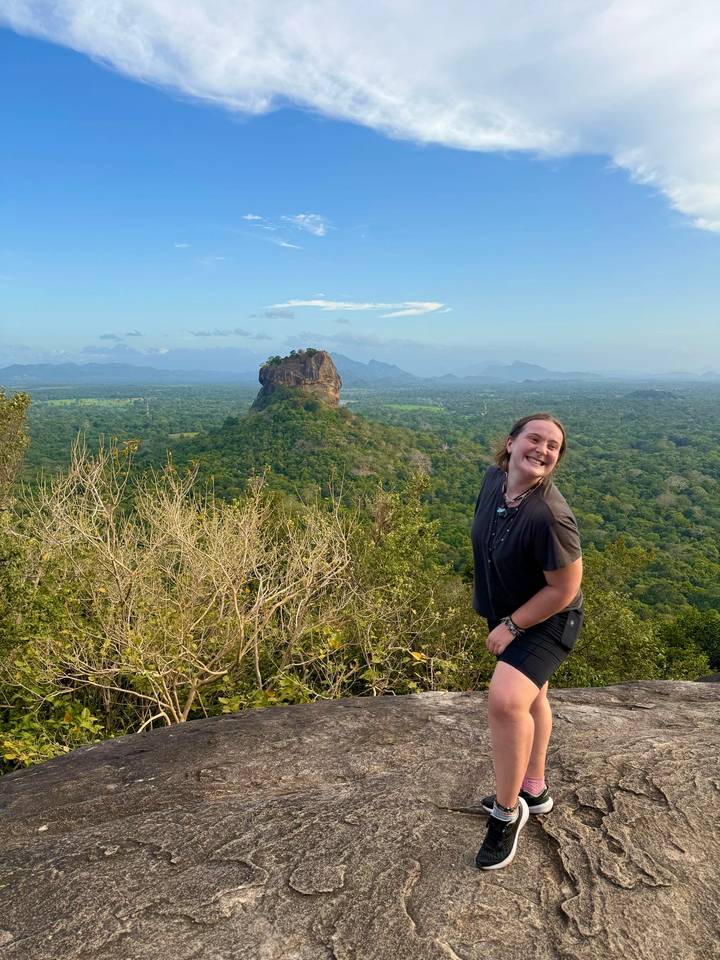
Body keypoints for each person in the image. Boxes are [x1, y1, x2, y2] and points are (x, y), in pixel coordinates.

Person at [471, 413, 583, 870]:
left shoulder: (549, 515)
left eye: (552, 446)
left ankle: (507, 812)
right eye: (534, 438)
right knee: (532, 696)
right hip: (512, 612)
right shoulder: (494, 481)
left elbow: (565, 589)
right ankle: (534, 790)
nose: (542, 448)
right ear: (512, 441)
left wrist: (512, 626)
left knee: (505, 700)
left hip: (550, 619)